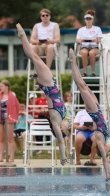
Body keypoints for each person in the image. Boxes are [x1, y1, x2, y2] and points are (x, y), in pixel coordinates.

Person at [16, 23, 67, 166]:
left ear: (61, 129)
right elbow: (65, 136)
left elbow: (61, 141)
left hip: (48, 85)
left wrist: (63, 157)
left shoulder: (56, 122)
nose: (68, 127)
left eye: (67, 129)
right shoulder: (63, 116)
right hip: (50, 84)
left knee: (34, 56)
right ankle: (22, 37)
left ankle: (22, 36)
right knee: (34, 57)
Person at [68, 48, 110, 181]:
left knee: (81, 86)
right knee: (84, 85)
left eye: (108, 150)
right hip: (97, 108)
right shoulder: (106, 138)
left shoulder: (100, 140)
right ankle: (74, 63)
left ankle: (72, 63)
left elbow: (104, 159)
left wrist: (108, 174)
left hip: (93, 111)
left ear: (102, 149)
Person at [30, 8, 60, 78]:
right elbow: (32, 39)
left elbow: (58, 40)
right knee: (32, 47)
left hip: (50, 46)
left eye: (47, 15)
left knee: (50, 47)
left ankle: (47, 70)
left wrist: (50, 41)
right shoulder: (37, 25)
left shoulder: (54, 25)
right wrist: (37, 42)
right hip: (39, 46)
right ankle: (38, 70)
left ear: (50, 16)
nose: (45, 17)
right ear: (41, 17)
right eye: (43, 15)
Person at [76, 9, 102, 77]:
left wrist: (95, 40)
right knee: (84, 52)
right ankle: (85, 72)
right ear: (85, 20)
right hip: (84, 46)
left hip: (94, 46)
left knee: (91, 53)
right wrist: (82, 40)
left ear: (92, 20)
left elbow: (100, 39)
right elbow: (77, 40)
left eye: (90, 19)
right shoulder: (81, 30)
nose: (88, 20)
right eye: (87, 19)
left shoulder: (97, 29)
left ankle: (93, 72)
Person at [0, 80, 19, 162]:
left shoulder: (12, 96)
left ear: (6, 87)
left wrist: (14, 117)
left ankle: (11, 156)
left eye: (1, 86)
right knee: (1, 139)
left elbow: (17, 107)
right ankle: (0, 156)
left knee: (10, 139)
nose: (0, 88)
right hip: (0, 117)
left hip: (9, 118)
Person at [63, 91, 73, 158]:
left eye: (70, 96)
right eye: (68, 96)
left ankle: (68, 153)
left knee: (70, 139)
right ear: (66, 98)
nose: (69, 97)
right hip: (67, 121)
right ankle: (67, 153)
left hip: (71, 121)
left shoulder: (72, 104)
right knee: (68, 139)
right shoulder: (66, 104)